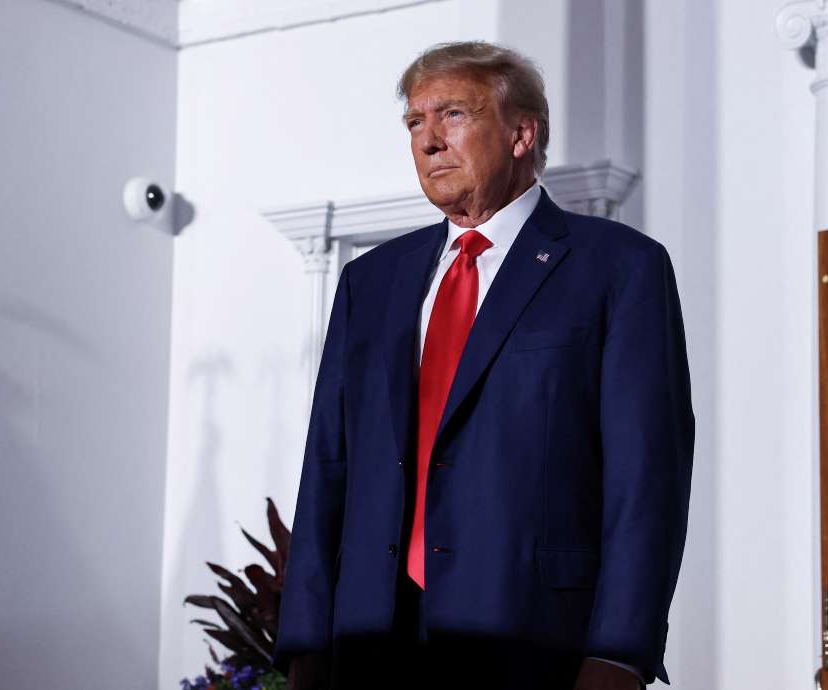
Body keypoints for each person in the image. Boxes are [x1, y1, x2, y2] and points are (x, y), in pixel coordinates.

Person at [274, 40, 695, 690]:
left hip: (535, 642)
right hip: (371, 644)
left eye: (453, 115)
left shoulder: (619, 268)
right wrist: (305, 643)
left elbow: (646, 479)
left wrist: (619, 654)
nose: (428, 140)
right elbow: (327, 465)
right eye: (415, 122)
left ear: (522, 132)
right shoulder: (370, 281)